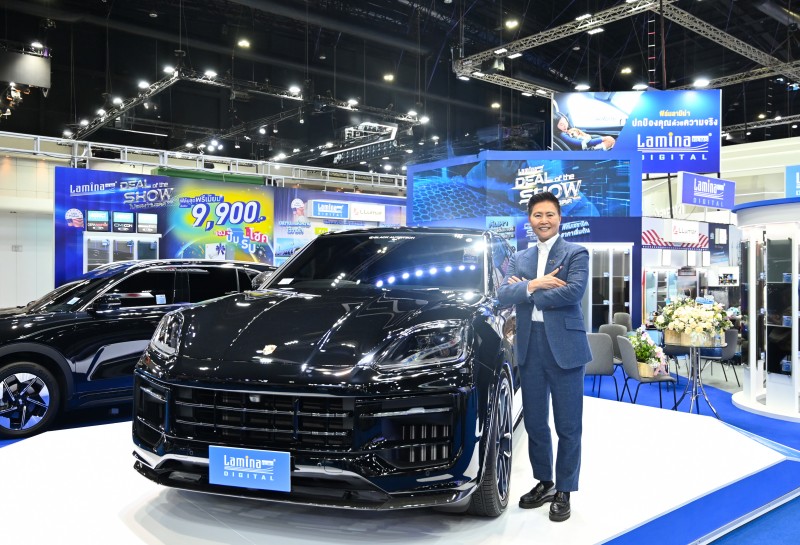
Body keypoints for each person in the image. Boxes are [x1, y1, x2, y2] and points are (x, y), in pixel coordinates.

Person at [497, 191, 592, 522]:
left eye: (550, 214)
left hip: (566, 346)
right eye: (538, 215)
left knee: (568, 425)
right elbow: (503, 294)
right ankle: (545, 482)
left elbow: (574, 292)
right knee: (535, 422)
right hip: (529, 345)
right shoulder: (520, 257)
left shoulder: (576, 253)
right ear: (530, 220)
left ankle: (565, 489)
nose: (544, 220)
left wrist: (528, 290)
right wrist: (538, 283)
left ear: (559, 218)